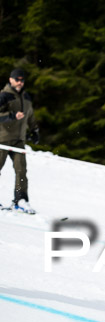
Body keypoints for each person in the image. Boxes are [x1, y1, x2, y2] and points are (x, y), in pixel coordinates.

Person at [0, 67, 40, 214]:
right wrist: (11, 116)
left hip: (18, 140)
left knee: (21, 170)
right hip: (2, 139)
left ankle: (20, 200)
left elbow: (30, 116)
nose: (20, 82)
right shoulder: (4, 95)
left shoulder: (27, 97)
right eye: (17, 79)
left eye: (22, 80)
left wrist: (34, 131)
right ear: (10, 80)